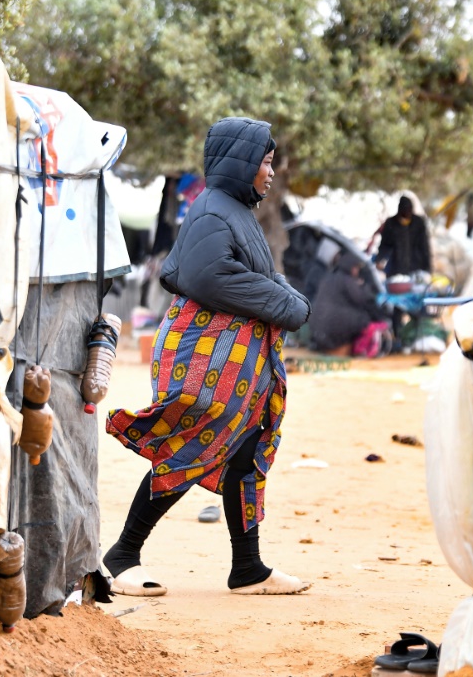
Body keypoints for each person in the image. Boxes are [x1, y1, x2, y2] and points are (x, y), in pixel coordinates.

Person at [103, 116, 312, 597]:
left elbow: (251, 274)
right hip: (207, 353)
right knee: (194, 443)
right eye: (265, 162)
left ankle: (248, 569)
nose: (271, 172)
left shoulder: (233, 210)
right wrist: (287, 303)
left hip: (235, 358)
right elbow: (209, 276)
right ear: (242, 164)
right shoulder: (215, 212)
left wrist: (283, 295)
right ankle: (122, 556)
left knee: (242, 453)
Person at [308, 252, 391, 357]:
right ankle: (361, 350)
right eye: (356, 268)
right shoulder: (346, 280)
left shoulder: (329, 277)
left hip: (318, 329)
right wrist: (364, 286)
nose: (357, 271)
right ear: (350, 267)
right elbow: (361, 299)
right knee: (364, 318)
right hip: (332, 326)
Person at [374, 195, 432, 278]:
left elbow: (424, 246)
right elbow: (384, 244)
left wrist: (427, 268)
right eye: (404, 213)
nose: (406, 215)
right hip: (395, 269)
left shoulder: (418, 223)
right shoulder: (391, 223)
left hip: (415, 268)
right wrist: (379, 259)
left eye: (408, 212)